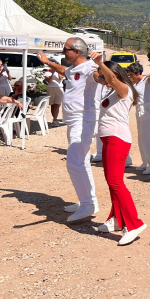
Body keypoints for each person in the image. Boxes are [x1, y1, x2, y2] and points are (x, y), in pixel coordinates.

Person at [36, 38, 101, 223]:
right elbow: (64, 71)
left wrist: (101, 66)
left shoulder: (90, 68)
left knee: (73, 162)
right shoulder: (73, 69)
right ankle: (88, 200)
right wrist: (48, 62)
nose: (63, 53)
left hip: (84, 120)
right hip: (74, 121)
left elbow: (101, 77)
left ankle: (87, 205)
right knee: (82, 162)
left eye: (65, 50)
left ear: (77, 51)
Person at [91, 52, 147, 246]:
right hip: (108, 139)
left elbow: (111, 78)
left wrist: (100, 63)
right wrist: (92, 69)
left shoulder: (124, 89)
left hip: (117, 139)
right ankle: (116, 218)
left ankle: (134, 224)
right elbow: (99, 78)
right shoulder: (110, 90)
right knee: (111, 181)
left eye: (104, 75)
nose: (103, 79)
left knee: (115, 182)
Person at [126, 63, 150, 175]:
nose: (130, 77)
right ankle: (145, 162)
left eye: (132, 74)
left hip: (147, 110)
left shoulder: (146, 80)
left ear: (138, 73)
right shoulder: (136, 82)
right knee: (141, 138)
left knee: (149, 139)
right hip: (139, 110)